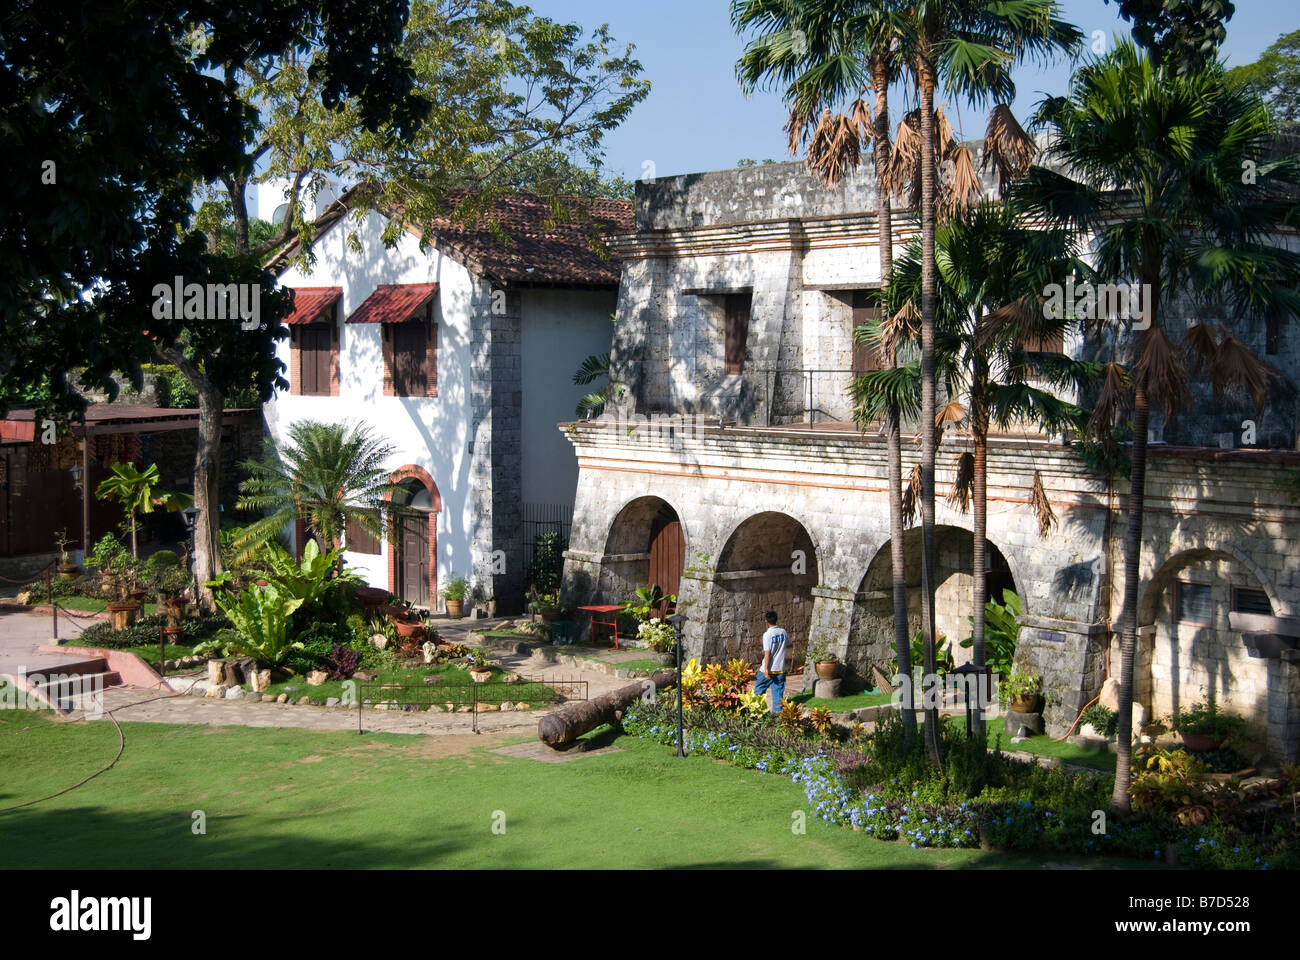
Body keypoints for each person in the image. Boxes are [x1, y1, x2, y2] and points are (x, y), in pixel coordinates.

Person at [754, 610, 789, 714]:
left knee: (759, 692)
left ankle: (760, 713)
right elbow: (789, 643)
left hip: (769, 669)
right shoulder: (783, 632)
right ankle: (777, 718)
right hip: (780, 668)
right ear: (776, 619)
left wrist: (765, 669)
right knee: (778, 695)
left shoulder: (767, 634)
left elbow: (767, 653)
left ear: (766, 621)